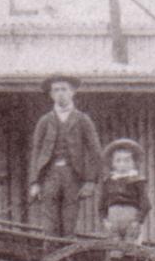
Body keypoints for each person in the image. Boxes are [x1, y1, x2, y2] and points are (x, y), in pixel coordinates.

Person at [27, 75, 104, 237]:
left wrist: (90, 181)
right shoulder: (45, 121)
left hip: (73, 178)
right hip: (49, 177)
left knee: (69, 225)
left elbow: (95, 152)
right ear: (51, 94)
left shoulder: (83, 120)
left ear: (72, 92)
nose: (60, 93)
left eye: (64, 89)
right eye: (56, 90)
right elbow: (36, 152)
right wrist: (34, 182)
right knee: (49, 227)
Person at [98, 138, 151, 242]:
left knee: (131, 249)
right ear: (113, 163)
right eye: (118, 160)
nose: (122, 164)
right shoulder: (108, 182)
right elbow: (101, 204)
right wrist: (105, 221)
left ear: (134, 163)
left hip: (131, 218)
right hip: (113, 219)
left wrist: (137, 221)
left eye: (127, 160)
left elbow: (145, 204)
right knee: (114, 250)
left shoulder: (137, 180)